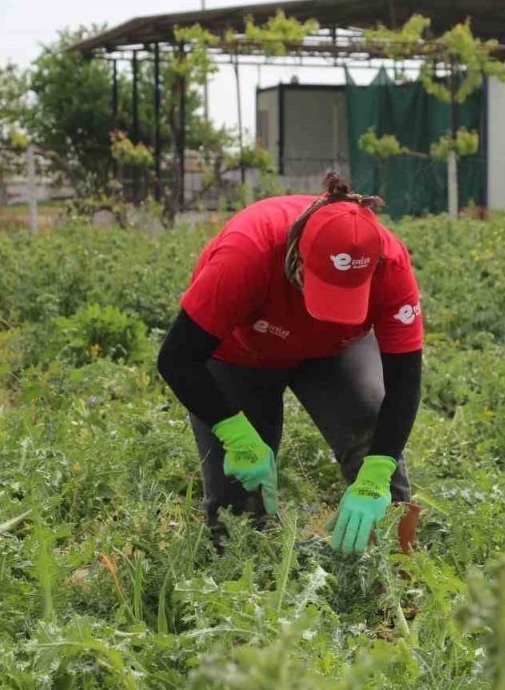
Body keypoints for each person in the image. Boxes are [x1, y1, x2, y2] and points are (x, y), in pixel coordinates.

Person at [157, 173, 424, 554]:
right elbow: (177, 358)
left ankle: (395, 569)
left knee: (369, 425)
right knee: (239, 507)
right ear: (296, 256)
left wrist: (376, 474)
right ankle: (253, 579)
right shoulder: (247, 252)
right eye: (325, 290)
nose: (331, 309)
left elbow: (404, 383)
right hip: (241, 354)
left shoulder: (390, 265)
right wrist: (235, 434)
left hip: (335, 350)